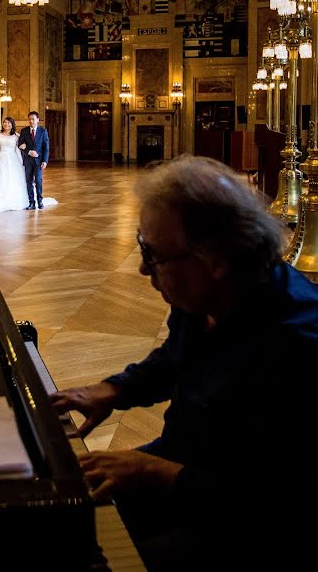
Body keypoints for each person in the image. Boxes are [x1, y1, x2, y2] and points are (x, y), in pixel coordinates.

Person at [50, 155, 318, 570]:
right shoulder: (206, 296)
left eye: (153, 254)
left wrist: (151, 472)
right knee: (54, 504)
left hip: (241, 526)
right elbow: (177, 358)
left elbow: (276, 503)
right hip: (183, 464)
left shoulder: (296, 346)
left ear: (216, 261)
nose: (142, 268)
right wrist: (116, 388)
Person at [17, 111, 49, 209]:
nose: (31, 121)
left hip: (39, 161)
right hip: (28, 161)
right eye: (29, 119)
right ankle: (31, 202)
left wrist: (45, 161)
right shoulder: (24, 131)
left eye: (33, 119)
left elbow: (46, 147)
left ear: (37, 120)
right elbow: (20, 145)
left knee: (38, 181)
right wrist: (29, 151)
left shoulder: (43, 131)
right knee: (29, 181)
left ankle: (40, 201)